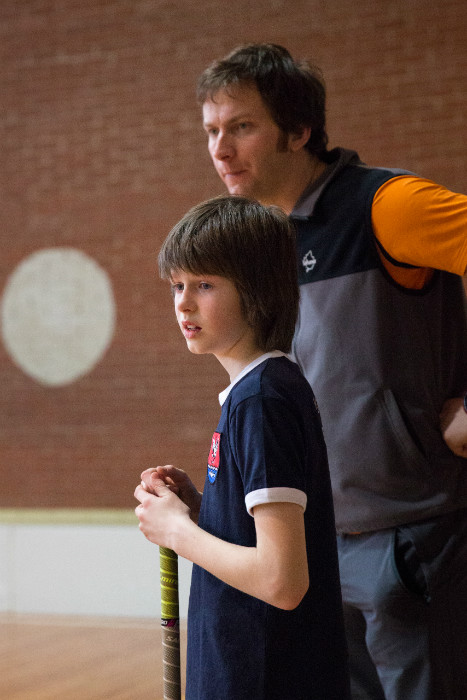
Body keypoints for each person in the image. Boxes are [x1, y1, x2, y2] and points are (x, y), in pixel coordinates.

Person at [196, 43, 467, 700]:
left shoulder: (388, 204)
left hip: (410, 536)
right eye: (211, 130)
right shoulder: (260, 244)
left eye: (241, 126)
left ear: (299, 130)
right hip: (311, 549)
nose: (220, 150)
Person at [134, 195, 351, 700]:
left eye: (205, 285)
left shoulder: (262, 400)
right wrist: (204, 512)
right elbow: (262, 542)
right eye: (178, 285)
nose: (183, 303)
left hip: (264, 680)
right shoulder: (256, 393)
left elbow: (282, 581)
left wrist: (178, 532)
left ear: (257, 291)